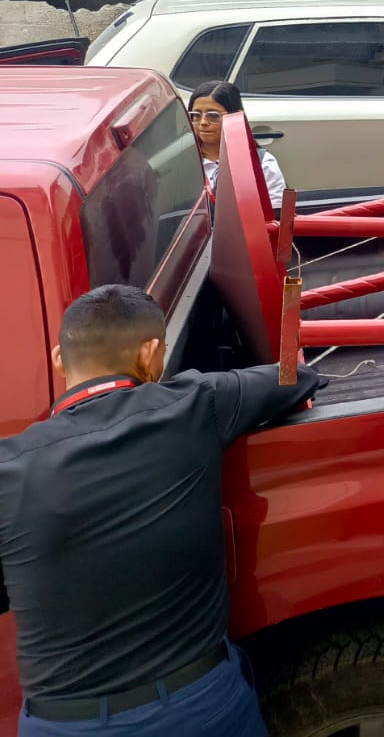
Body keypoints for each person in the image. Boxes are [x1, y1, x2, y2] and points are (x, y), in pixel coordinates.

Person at [0, 285, 323, 735]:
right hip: (195, 710)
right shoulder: (193, 405)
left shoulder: (7, 469)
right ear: (150, 354)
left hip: (61, 724)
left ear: (59, 359)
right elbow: (293, 378)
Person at [188, 80, 285, 209]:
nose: (203, 122)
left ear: (236, 116)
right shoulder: (181, 163)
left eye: (213, 115)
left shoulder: (262, 163)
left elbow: (275, 212)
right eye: (196, 115)